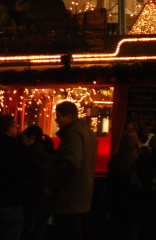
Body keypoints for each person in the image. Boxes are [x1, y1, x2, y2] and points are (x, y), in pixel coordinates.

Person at [49, 101, 99, 240]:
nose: (56, 120)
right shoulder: (89, 132)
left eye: (58, 116)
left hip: (69, 200)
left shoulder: (73, 135)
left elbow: (70, 162)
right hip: (83, 200)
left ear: (69, 116)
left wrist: (51, 186)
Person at [106, 130, 153, 240]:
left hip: (118, 203)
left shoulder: (115, 160)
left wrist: (108, 205)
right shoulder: (141, 159)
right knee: (133, 232)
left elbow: (110, 185)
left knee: (119, 232)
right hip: (136, 204)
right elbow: (148, 182)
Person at [21, 125, 56, 240]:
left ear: (32, 138)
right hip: (47, 200)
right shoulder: (48, 152)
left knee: (26, 231)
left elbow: (28, 177)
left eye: (24, 138)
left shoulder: (30, 154)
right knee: (40, 232)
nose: (23, 142)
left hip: (33, 200)